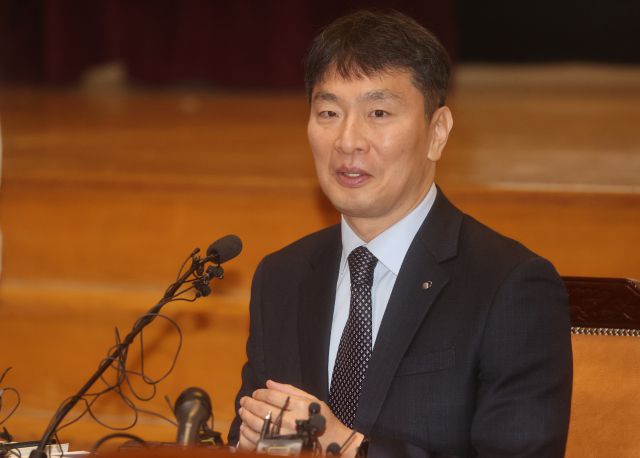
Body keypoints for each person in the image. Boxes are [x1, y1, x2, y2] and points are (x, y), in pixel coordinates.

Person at [228, 10, 572, 457]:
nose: (348, 140)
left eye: (378, 113)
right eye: (329, 112)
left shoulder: (509, 285)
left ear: (437, 132)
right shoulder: (282, 277)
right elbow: (250, 433)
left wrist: (347, 447)